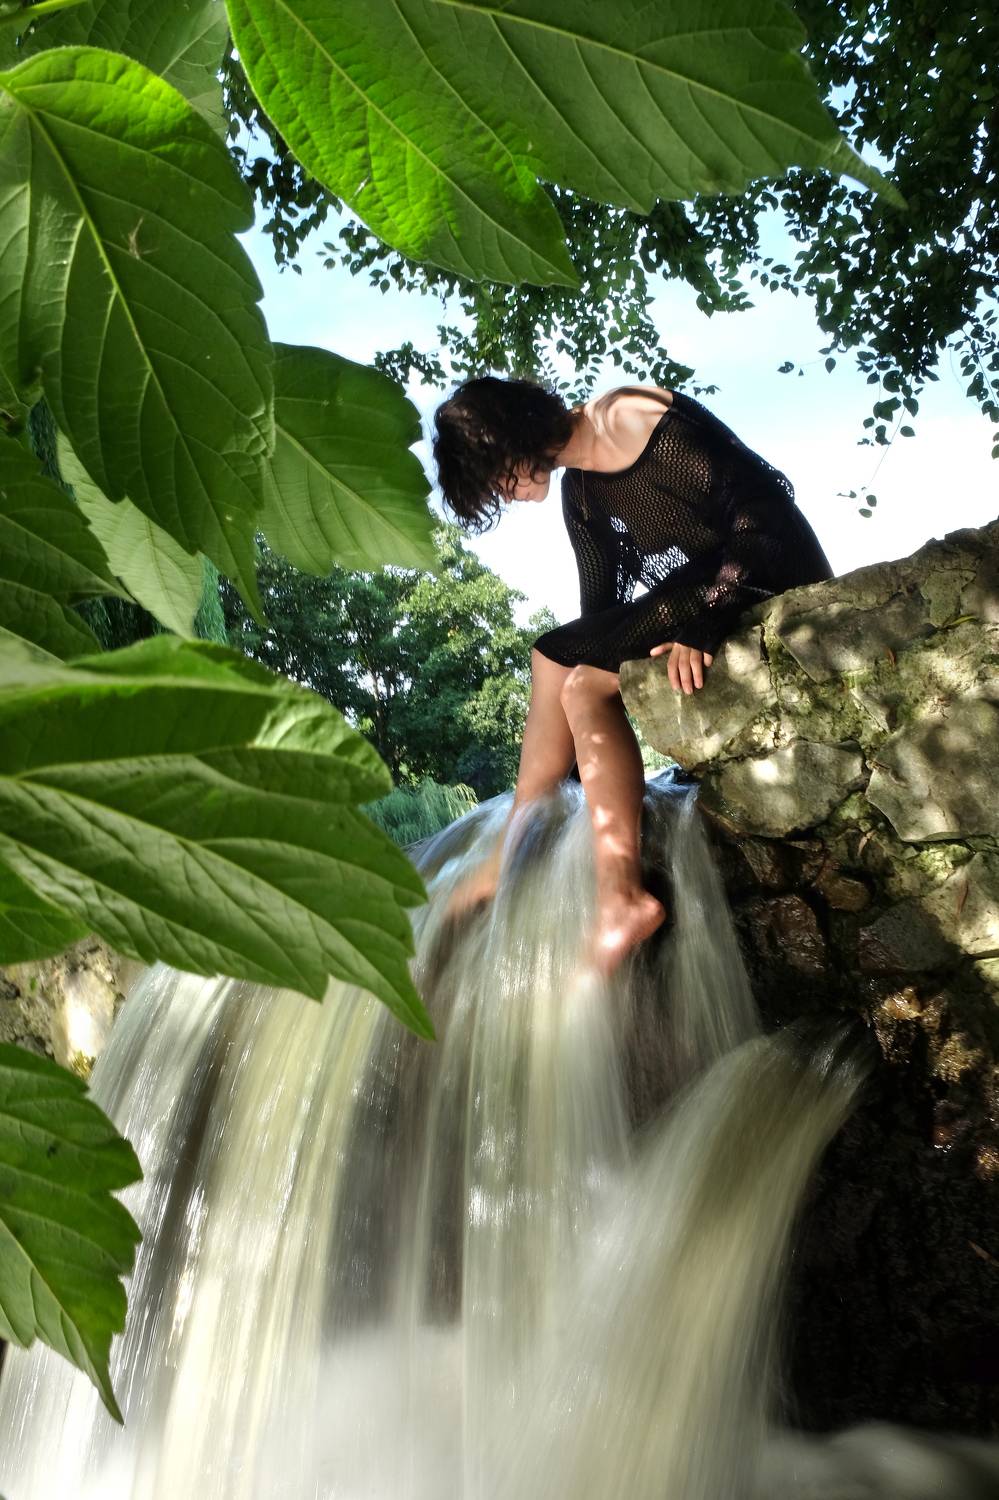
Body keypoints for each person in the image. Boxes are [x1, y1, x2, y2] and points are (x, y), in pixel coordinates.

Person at [432, 377, 832, 974]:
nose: (504, 493)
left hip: (765, 571)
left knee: (557, 658)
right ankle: (600, 882)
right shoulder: (581, 493)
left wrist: (709, 618)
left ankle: (527, 850)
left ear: (511, 438)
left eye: (496, 476)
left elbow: (762, 514)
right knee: (574, 676)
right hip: (698, 598)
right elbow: (601, 617)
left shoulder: (630, 415)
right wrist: (575, 754)